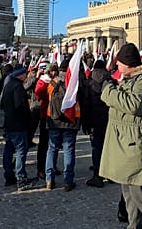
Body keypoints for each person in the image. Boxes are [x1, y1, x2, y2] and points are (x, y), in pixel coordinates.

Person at [100, 43, 142, 229]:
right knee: (129, 192)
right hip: (129, 145)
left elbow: (133, 105)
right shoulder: (131, 79)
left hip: (140, 146)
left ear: (127, 63)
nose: (116, 67)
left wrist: (108, 90)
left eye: (119, 63)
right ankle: (134, 226)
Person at [43, 59, 81, 191]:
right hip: (70, 121)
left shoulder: (52, 83)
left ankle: (49, 180)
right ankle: (68, 181)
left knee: (52, 149)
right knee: (68, 150)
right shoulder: (73, 83)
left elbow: (46, 97)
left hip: (53, 120)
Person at [1, 65, 37, 191]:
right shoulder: (17, 87)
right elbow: (20, 106)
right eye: (24, 74)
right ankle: (21, 178)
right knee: (21, 150)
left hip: (9, 124)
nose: (26, 76)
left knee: (8, 150)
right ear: (20, 74)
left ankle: (9, 176)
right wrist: (28, 116)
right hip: (18, 124)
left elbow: (2, 104)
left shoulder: (8, 85)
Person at [79, 59, 111, 187]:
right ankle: (109, 173)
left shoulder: (88, 84)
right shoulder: (110, 81)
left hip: (94, 122)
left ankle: (97, 175)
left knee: (96, 148)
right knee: (108, 147)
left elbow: (85, 106)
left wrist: (85, 124)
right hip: (108, 120)